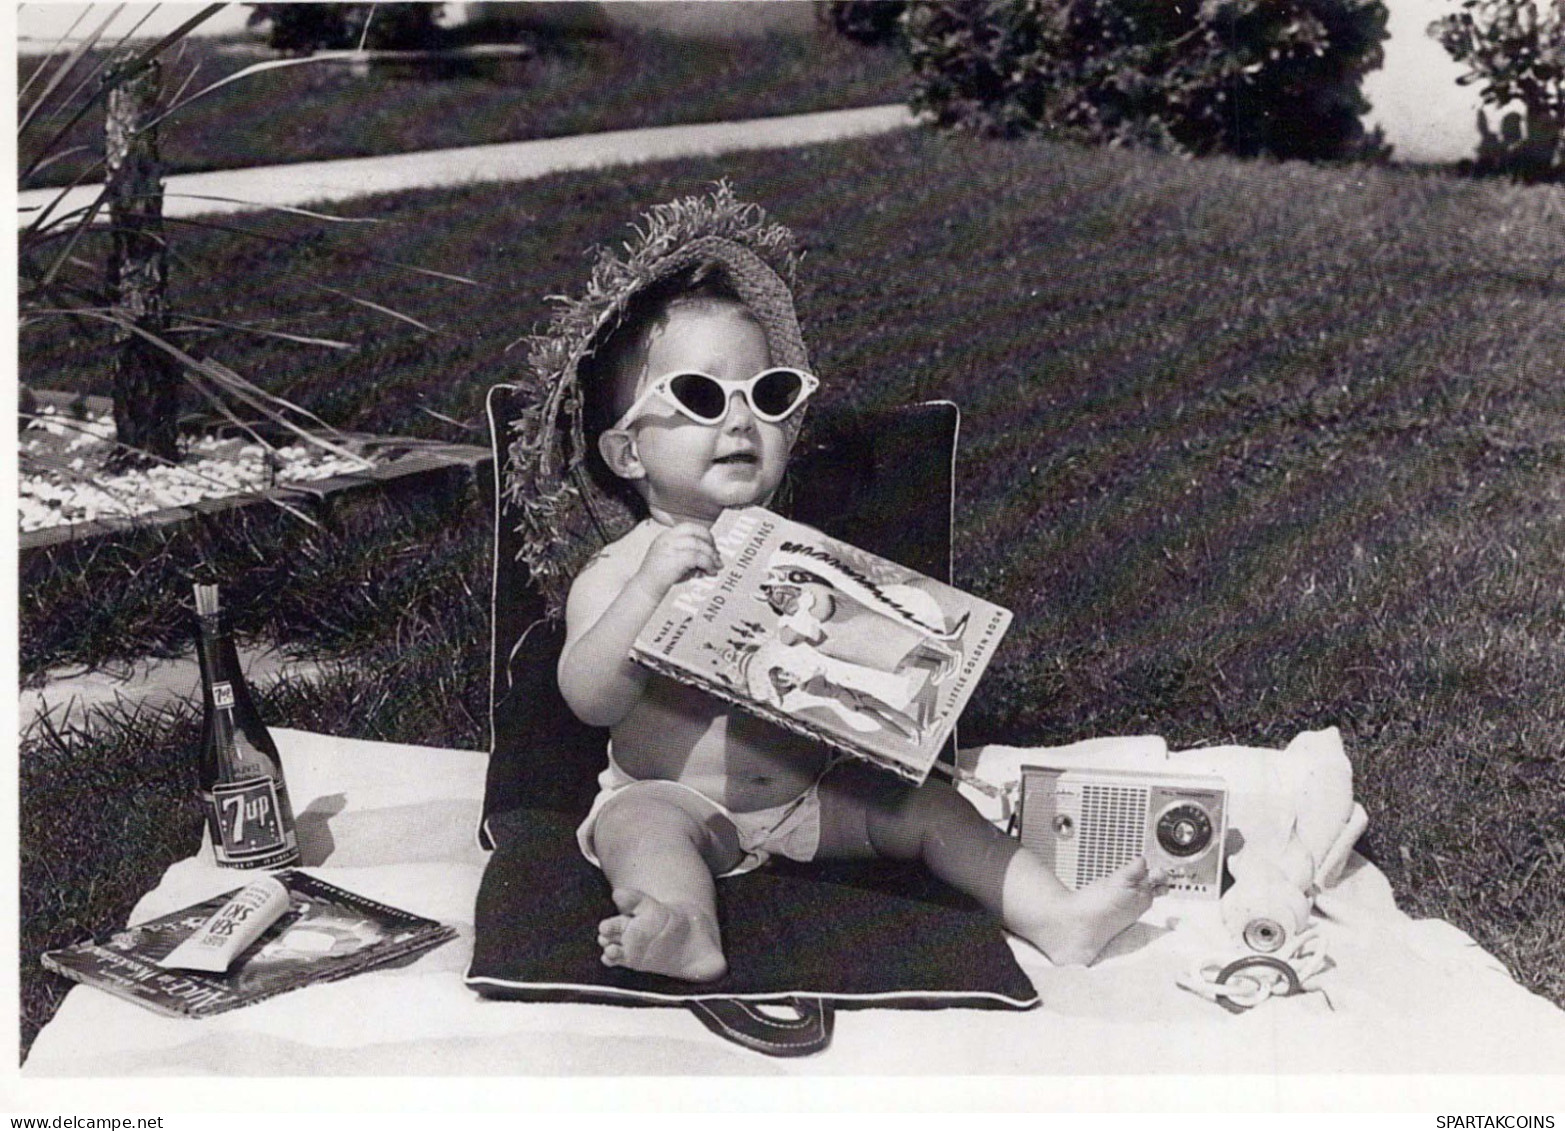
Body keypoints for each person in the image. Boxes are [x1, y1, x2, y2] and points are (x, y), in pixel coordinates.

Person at [537, 187, 1165, 984]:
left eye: (766, 397)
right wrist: (649, 592)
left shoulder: (794, 555)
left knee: (930, 807)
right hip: (682, 801)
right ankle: (684, 926)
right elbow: (589, 698)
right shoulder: (622, 568)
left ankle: (1056, 914)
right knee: (641, 831)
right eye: (699, 397)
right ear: (628, 454)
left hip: (812, 799)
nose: (739, 423)